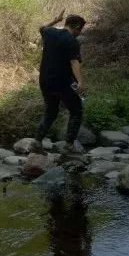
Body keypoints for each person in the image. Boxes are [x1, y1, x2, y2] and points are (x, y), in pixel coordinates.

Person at [35, 10, 87, 152]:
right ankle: (69, 145)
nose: (79, 33)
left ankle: (37, 141)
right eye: (80, 29)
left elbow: (41, 27)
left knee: (50, 111)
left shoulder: (50, 33)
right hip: (63, 82)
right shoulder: (72, 41)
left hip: (45, 80)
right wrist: (80, 83)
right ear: (76, 27)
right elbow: (74, 63)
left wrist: (55, 20)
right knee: (76, 111)